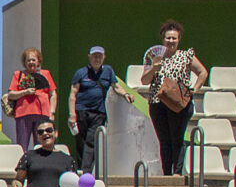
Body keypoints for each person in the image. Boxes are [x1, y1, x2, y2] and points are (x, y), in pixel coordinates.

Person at [137, 19, 206, 177]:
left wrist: (193, 90)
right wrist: (154, 68)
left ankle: (177, 171)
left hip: (178, 103)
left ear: (179, 39)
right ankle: (166, 173)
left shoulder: (186, 55)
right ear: (163, 38)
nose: (171, 41)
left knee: (177, 138)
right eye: (168, 38)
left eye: (174, 38)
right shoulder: (154, 55)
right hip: (157, 102)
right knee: (164, 140)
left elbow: (203, 72)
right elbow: (144, 81)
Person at [69, 45, 125, 175]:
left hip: (98, 112)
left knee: (91, 141)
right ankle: (81, 169)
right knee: (81, 142)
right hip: (81, 111)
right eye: (94, 56)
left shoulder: (108, 71)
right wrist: (72, 114)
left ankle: (86, 171)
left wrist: (126, 94)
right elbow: (73, 94)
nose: (97, 59)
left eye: (100, 56)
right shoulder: (81, 73)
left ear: (104, 58)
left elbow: (115, 86)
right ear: (89, 57)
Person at [0, 47, 57, 153]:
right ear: (25, 62)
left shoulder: (45, 74)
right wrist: (25, 92)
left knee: (42, 143)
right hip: (23, 113)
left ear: (38, 61)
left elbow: (53, 94)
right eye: (28, 60)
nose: (31, 62)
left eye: (33, 60)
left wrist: (52, 112)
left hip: (42, 113)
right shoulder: (19, 75)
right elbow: (11, 94)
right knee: (22, 144)